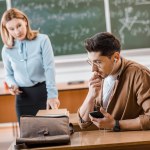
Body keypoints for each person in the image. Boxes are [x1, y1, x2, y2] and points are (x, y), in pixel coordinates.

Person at [78, 32, 150, 131]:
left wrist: (115, 124)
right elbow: (83, 124)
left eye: (98, 62)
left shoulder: (139, 74)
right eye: (91, 62)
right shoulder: (100, 76)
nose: (93, 69)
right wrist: (90, 96)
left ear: (115, 57)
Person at [0, 8, 60, 123]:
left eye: (19, 25)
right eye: (11, 29)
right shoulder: (7, 49)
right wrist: (13, 85)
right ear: (6, 30)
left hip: (44, 94)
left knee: (50, 132)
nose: (17, 32)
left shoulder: (42, 40)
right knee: (27, 136)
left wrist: (52, 95)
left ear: (25, 22)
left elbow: (49, 68)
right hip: (23, 97)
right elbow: (8, 75)